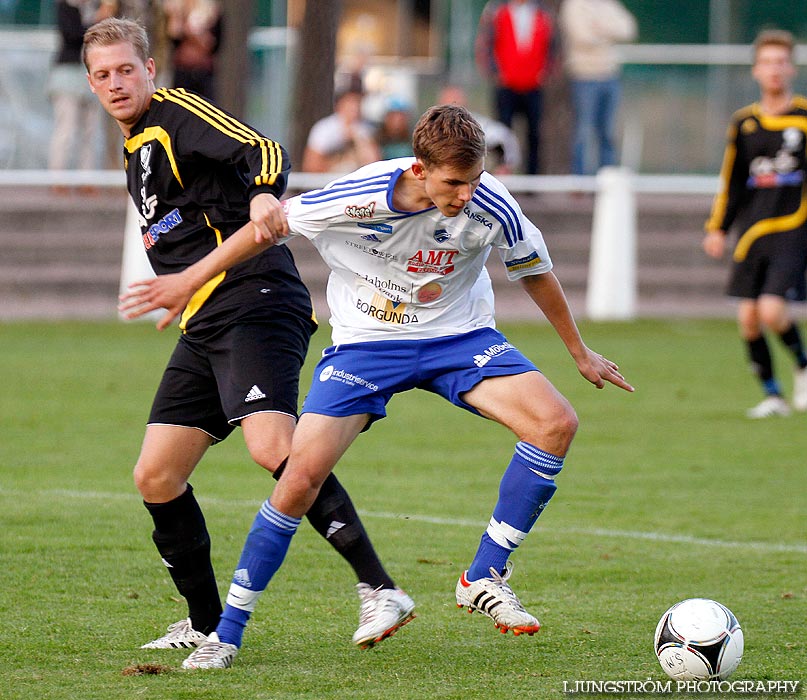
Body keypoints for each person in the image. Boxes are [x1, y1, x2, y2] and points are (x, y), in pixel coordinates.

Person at [120, 104, 634, 670]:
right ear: (419, 169)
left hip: (458, 339)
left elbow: (534, 270)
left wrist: (579, 352)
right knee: (296, 479)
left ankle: (484, 574)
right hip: (367, 345)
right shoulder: (356, 194)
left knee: (555, 422)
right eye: (453, 183)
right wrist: (188, 280)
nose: (466, 194)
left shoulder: (493, 206)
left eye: (475, 180)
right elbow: (265, 231)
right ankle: (226, 633)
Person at [82, 17, 414, 653]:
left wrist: (264, 195)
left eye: (127, 69)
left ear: (151, 69)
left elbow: (261, 149)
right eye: (103, 74)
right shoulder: (135, 144)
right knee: (156, 475)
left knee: (272, 446)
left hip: (255, 297)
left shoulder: (176, 111)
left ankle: (380, 589)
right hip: (205, 319)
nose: (117, 83)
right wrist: (180, 291)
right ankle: (205, 624)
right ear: (91, 84)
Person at [703, 29, 807, 419]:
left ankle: (803, 364)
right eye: (767, 62)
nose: (774, 70)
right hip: (751, 231)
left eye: (781, 62)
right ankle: (773, 396)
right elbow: (732, 181)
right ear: (756, 70)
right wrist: (718, 228)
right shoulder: (744, 123)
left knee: (771, 311)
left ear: (791, 68)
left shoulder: (804, 117)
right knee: (748, 320)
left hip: (794, 228)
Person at [475, 0, 558, 174]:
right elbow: (485, 43)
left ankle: (532, 178)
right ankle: (503, 175)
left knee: (534, 134)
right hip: (506, 84)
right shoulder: (497, 11)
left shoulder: (543, 14)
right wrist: (495, 72)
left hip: (533, 84)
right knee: (502, 134)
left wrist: (546, 72)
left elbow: (553, 46)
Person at [558, 0, 637, 175]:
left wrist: (599, 28)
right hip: (584, 76)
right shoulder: (574, 6)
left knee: (608, 133)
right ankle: (580, 180)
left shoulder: (609, 4)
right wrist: (609, 31)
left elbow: (628, 29)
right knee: (583, 132)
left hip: (610, 75)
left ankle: (606, 177)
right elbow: (582, 37)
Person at [48, 1, 112, 179]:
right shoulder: (66, 7)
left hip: (93, 74)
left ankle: (87, 178)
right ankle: (57, 177)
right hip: (68, 75)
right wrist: (97, 21)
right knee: (66, 128)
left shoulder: (97, 6)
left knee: (90, 130)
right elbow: (72, 34)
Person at [437, 84, 522, 175]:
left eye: (456, 101)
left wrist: (505, 165)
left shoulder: (478, 126)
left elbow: (504, 138)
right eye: (448, 102)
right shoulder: (431, 130)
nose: (452, 108)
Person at [302, 85, 382, 173]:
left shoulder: (365, 129)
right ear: (339, 104)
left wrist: (357, 140)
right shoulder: (324, 128)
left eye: (357, 102)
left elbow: (374, 162)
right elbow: (311, 165)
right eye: (350, 103)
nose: (354, 108)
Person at [163, 0, 222, 100]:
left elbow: (215, 44)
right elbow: (173, 40)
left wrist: (194, 35)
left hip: (203, 73)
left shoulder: (211, 11)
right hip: (182, 71)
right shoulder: (175, 9)